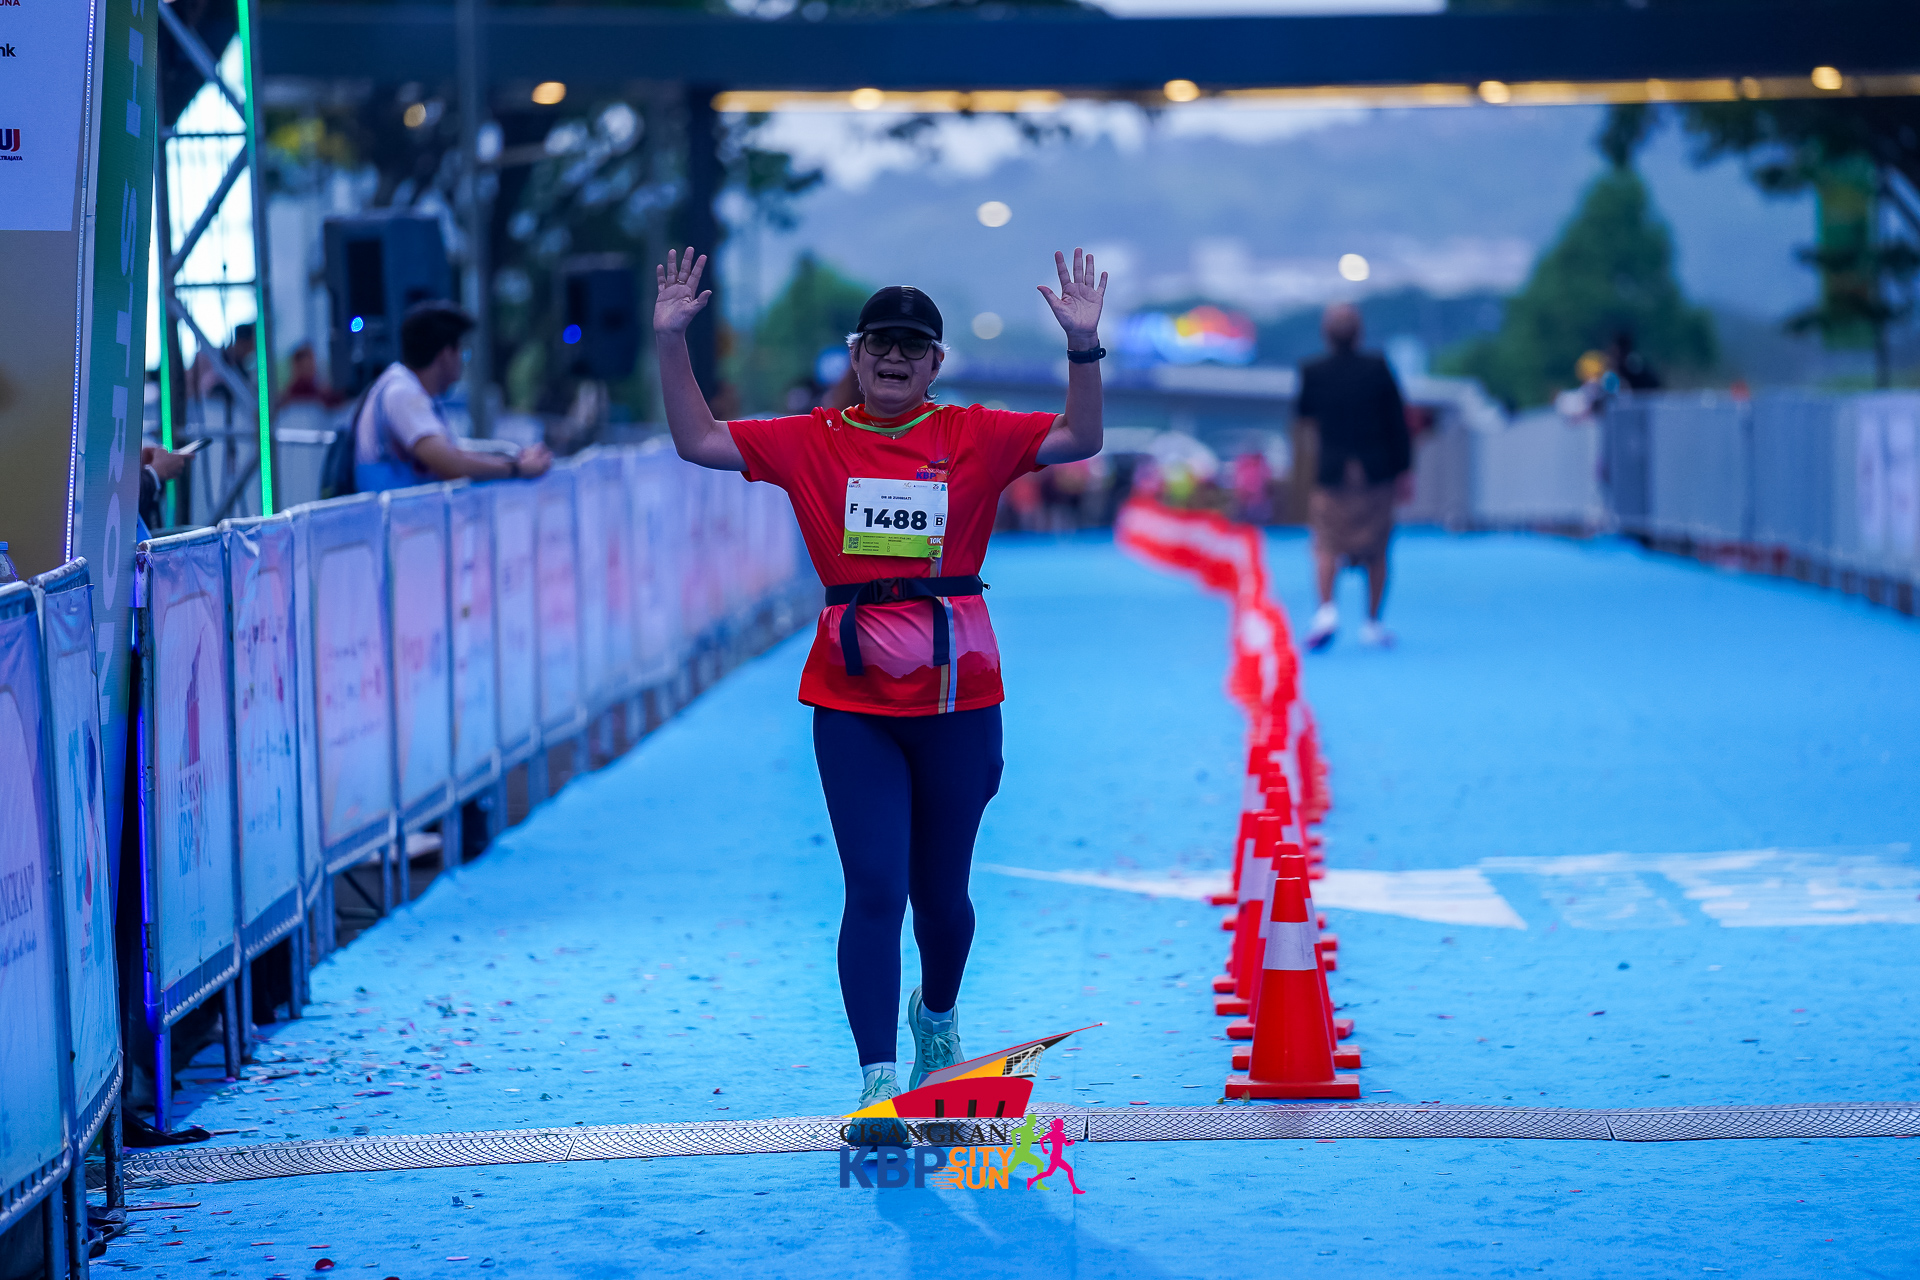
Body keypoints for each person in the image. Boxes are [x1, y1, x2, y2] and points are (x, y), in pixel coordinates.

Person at [652, 245, 1107, 1112]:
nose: (895, 357)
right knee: (873, 889)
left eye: (912, 346)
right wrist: (672, 341)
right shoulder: (812, 440)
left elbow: (1081, 438)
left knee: (941, 898)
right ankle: (876, 1081)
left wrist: (1083, 348)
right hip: (852, 698)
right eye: (880, 344)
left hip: (958, 697)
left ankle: (936, 1017)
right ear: (856, 358)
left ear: (935, 364)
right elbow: (698, 440)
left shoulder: (973, 434)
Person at [1295, 303, 1411, 651]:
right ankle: (1372, 622)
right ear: (1359, 333)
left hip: (1333, 472)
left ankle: (1326, 611)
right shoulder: (1377, 368)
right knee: (1377, 549)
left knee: (1326, 544)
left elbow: (1305, 420)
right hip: (1375, 472)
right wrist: (1404, 469)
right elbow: (1398, 423)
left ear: (1326, 335)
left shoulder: (1313, 371)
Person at [352, 301, 552, 493]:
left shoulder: (411, 390)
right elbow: (450, 463)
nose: (462, 362)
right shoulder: (402, 392)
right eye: (462, 351)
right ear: (447, 354)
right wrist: (518, 469)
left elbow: (455, 451)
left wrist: (515, 456)